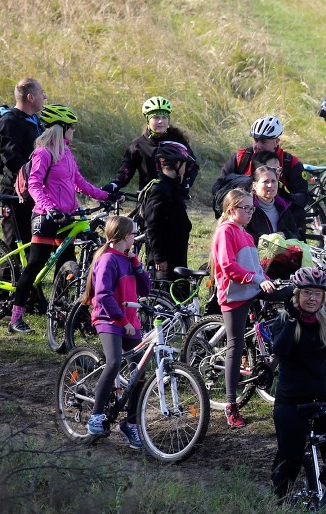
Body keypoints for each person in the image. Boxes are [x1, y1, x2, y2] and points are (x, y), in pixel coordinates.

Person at [9, 105, 111, 335]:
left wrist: (106, 195)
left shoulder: (66, 153)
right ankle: (16, 318)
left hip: (66, 217)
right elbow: (34, 184)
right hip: (46, 217)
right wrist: (49, 208)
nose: (74, 132)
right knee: (35, 264)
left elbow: (80, 184)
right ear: (60, 128)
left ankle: (61, 313)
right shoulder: (43, 152)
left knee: (67, 267)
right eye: (71, 128)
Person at [270, 267, 326, 500]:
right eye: (307, 292)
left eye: (318, 294)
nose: (312, 298)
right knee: (291, 460)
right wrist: (292, 318)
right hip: (291, 402)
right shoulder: (284, 320)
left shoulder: (325, 320)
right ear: (296, 294)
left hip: (324, 398)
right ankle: (279, 502)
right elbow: (280, 350)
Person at [210, 188, 278, 428]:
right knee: (235, 346)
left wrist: (265, 277)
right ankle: (231, 404)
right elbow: (228, 267)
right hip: (234, 296)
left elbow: (254, 268)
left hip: (251, 290)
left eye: (252, 208)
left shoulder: (246, 234)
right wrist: (257, 279)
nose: (250, 212)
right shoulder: (225, 232)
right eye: (245, 208)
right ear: (231, 210)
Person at [81, 215, 150, 448]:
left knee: (139, 372)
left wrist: (137, 264)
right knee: (113, 362)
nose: (135, 237)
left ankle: (130, 424)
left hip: (130, 321)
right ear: (122, 236)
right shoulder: (108, 260)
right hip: (109, 320)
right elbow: (102, 295)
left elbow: (146, 289)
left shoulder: (127, 259)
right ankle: (96, 416)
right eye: (132, 234)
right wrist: (121, 320)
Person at [211, 115, 310, 227]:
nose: (258, 146)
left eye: (263, 141)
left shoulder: (290, 163)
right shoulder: (241, 157)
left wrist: (278, 193)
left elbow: (302, 198)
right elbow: (218, 185)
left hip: (278, 219)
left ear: (276, 141)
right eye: (256, 140)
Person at [0, 77, 46, 248]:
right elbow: (12, 158)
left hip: (32, 188)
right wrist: (34, 177)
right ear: (30, 97)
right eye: (42, 93)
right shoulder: (10, 121)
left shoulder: (34, 120)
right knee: (13, 245)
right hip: (15, 191)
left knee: (29, 242)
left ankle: (23, 275)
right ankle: (4, 276)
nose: (45, 97)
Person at [104, 96, 199, 194]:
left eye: (164, 117)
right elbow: (126, 171)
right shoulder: (138, 145)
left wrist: (186, 184)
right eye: (156, 117)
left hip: (173, 197)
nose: (161, 121)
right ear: (148, 120)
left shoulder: (178, 142)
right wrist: (114, 185)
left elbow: (192, 165)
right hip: (148, 199)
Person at [139, 141, 195, 277]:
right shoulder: (159, 189)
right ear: (177, 164)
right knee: (166, 296)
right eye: (184, 163)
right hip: (165, 262)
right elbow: (152, 226)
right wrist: (159, 257)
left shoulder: (173, 187)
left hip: (177, 255)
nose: (185, 168)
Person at [246, 165, 301, 240]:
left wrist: (284, 235)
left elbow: (296, 234)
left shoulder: (283, 206)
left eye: (273, 181)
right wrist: (266, 240)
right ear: (255, 186)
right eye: (265, 181)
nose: (270, 185)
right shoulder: (246, 207)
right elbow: (240, 235)